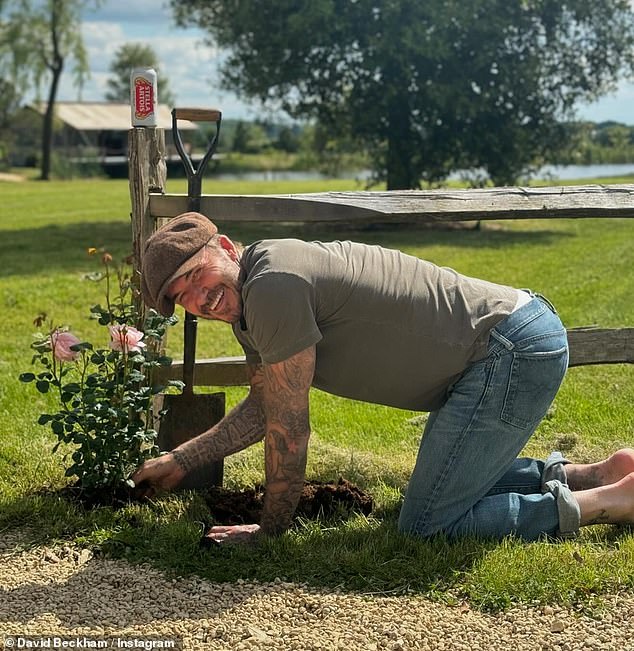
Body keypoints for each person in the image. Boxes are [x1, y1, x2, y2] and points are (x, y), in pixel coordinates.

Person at [132, 211, 634, 545]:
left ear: (224, 246)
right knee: (437, 488)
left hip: (508, 350)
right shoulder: (253, 298)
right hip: (507, 339)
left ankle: (605, 502)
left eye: (197, 274)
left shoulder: (272, 288)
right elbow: (265, 408)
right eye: (182, 296)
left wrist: (269, 531)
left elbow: (289, 428)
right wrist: (182, 460)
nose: (199, 296)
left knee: (426, 524)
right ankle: (598, 474)